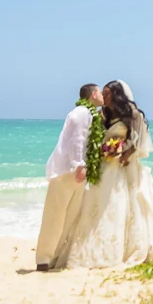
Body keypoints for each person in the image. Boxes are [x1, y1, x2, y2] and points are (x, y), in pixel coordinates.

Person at [58, 79, 153, 268]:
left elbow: (139, 141)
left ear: (116, 94)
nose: (103, 97)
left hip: (124, 166)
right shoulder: (102, 114)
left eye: (106, 93)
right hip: (105, 165)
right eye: (102, 93)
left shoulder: (133, 115)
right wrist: (103, 151)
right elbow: (94, 138)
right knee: (95, 204)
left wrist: (124, 152)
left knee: (121, 204)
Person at [34, 83, 100, 271]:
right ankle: (43, 259)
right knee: (54, 214)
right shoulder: (80, 113)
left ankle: (55, 255)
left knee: (70, 216)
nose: (103, 96)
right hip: (66, 171)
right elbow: (76, 140)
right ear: (93, 95)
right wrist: (79, 165)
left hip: (77, 172)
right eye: (100, 92)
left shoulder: (90, 114)